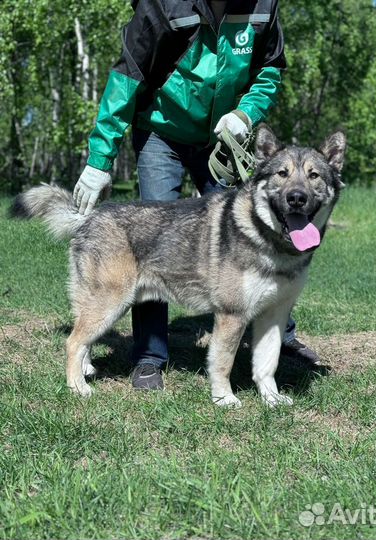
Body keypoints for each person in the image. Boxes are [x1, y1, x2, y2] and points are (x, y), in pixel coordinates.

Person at [73, 0, 320, 391]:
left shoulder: (263, 6)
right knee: (153, 244)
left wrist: (245, 114)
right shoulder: (162, 5)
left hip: (222, 137)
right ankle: (150, 356)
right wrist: (100, 159)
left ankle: (278, 337)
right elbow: (127, 77)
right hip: (161, 132)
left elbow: (270, 69)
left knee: (251, 235)